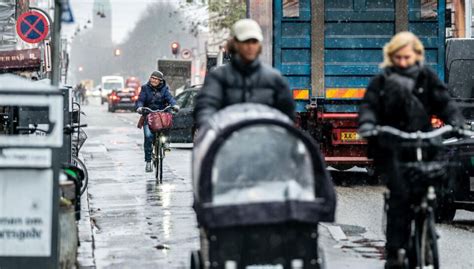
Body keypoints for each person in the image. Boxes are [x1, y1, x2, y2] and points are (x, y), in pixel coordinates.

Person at [358, 32, 463, 269]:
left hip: (423, 142)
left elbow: (444, 102)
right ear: (391, 57)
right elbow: (369, 106)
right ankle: (395, 250)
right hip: (394, 144)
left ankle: (428, 221)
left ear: (417, 55)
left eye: (407, 57)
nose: (403, 62)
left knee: (435, 181)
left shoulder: (427, 78)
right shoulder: (382, 80)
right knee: (400, 196)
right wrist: (368, 124)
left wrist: (456, 121)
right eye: (399, 58)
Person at [194, 19, 295, 128]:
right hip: (227, 141)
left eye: (254, 41)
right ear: (235, 44)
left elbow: (287, 115)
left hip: (265, 141)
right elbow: (206, 106)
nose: (250, 46)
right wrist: (210, 126)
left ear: (259, 45)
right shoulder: (218, 77)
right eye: (246, 41)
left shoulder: (274, 79)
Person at [136, 71, 179, 172]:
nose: (153, 80)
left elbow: (170, 98)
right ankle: (148, 161)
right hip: (149, 115)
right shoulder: (145, 88)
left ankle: (166, 142)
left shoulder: (165, 89)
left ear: (160, 81)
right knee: (148, 136)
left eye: (156, 79)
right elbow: (140, 100)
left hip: (161, 115)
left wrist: (174, 105)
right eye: (152, 78)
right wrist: (139, 107)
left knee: (168, 123)